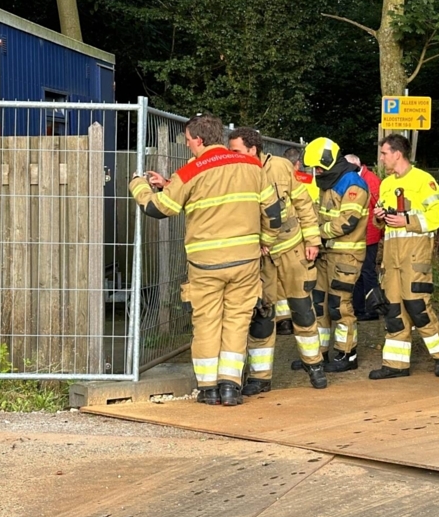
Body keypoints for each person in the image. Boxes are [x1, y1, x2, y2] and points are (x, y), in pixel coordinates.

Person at [129, 114, 282, 406]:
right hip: (245, 262)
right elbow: (274, 214)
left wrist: (138, 186)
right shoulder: (252, 166)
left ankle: (209, 389)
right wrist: (266, 243)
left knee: (207, 323)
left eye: (187, 140)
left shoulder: (191, 172)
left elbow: (160, 208)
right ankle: (230, 387)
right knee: (237, 322)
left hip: (205, 265)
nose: (187, 145)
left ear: (198, 140)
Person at [228, 127, 327, 394]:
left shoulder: (282, 167)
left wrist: (313, 241)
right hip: (262, 258)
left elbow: (304, 203)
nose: (231, 155)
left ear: (252, 149)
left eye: (236, 150)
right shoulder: (236, 173)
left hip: (293, 250)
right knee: (262, 316)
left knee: (303, 310)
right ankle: (260, 378)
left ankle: (314, 364)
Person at [369, 133, 439, 380]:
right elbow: (381, 221)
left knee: (418, 308)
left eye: (384, 153)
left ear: (397, 153)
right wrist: (379, 216)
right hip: (392, 258)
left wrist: (408, 220)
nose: (382, 158)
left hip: (415, 254)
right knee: (393, 310)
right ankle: (396, 365)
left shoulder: (422, 180)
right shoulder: (386, 183)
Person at [299, 137, 369, 373]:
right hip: (326, 254)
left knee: (340, 306)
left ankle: (347, 354)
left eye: (318, 167)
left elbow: (347, 222)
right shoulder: (329, 182)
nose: (316, 172)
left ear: (328, 163)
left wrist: (315, 234)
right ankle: (319, 355)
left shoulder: (353, 184)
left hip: (346, 256)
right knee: (320, 305)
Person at [344, 154, 382, 321]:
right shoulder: (363, 178)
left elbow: (378, 206)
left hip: (369, 234)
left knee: (367, 272)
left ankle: (373, 308)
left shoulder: (370, 180)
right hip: (360, 234)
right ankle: (360, 308)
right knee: (359, 273)